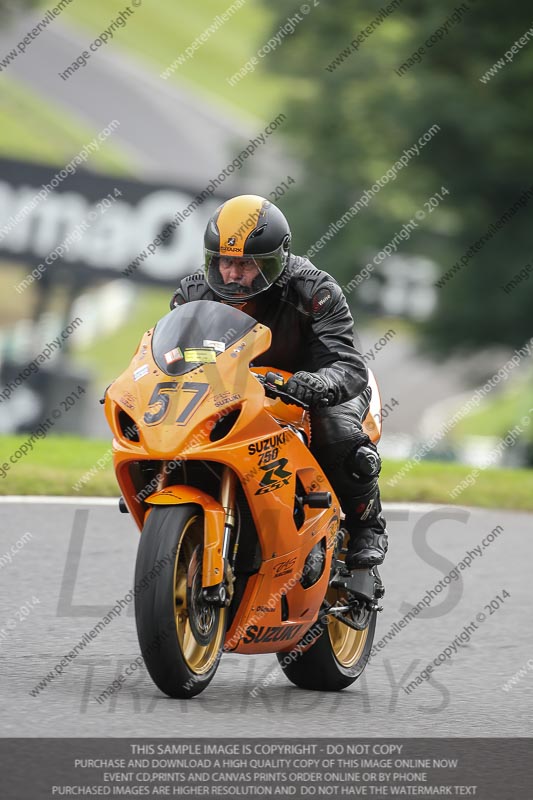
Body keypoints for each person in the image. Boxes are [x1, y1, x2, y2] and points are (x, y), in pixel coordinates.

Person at [170, 194, 388, 569]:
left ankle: (368, 526)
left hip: (315, 386)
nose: (232, 274)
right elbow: (170, 356)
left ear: (276, 260)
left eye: (247, 264)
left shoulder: (314, 291)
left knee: (337, 432)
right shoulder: (192, 294)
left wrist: (316, 385)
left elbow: (347, 365)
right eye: (225, 262)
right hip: (233, 390)